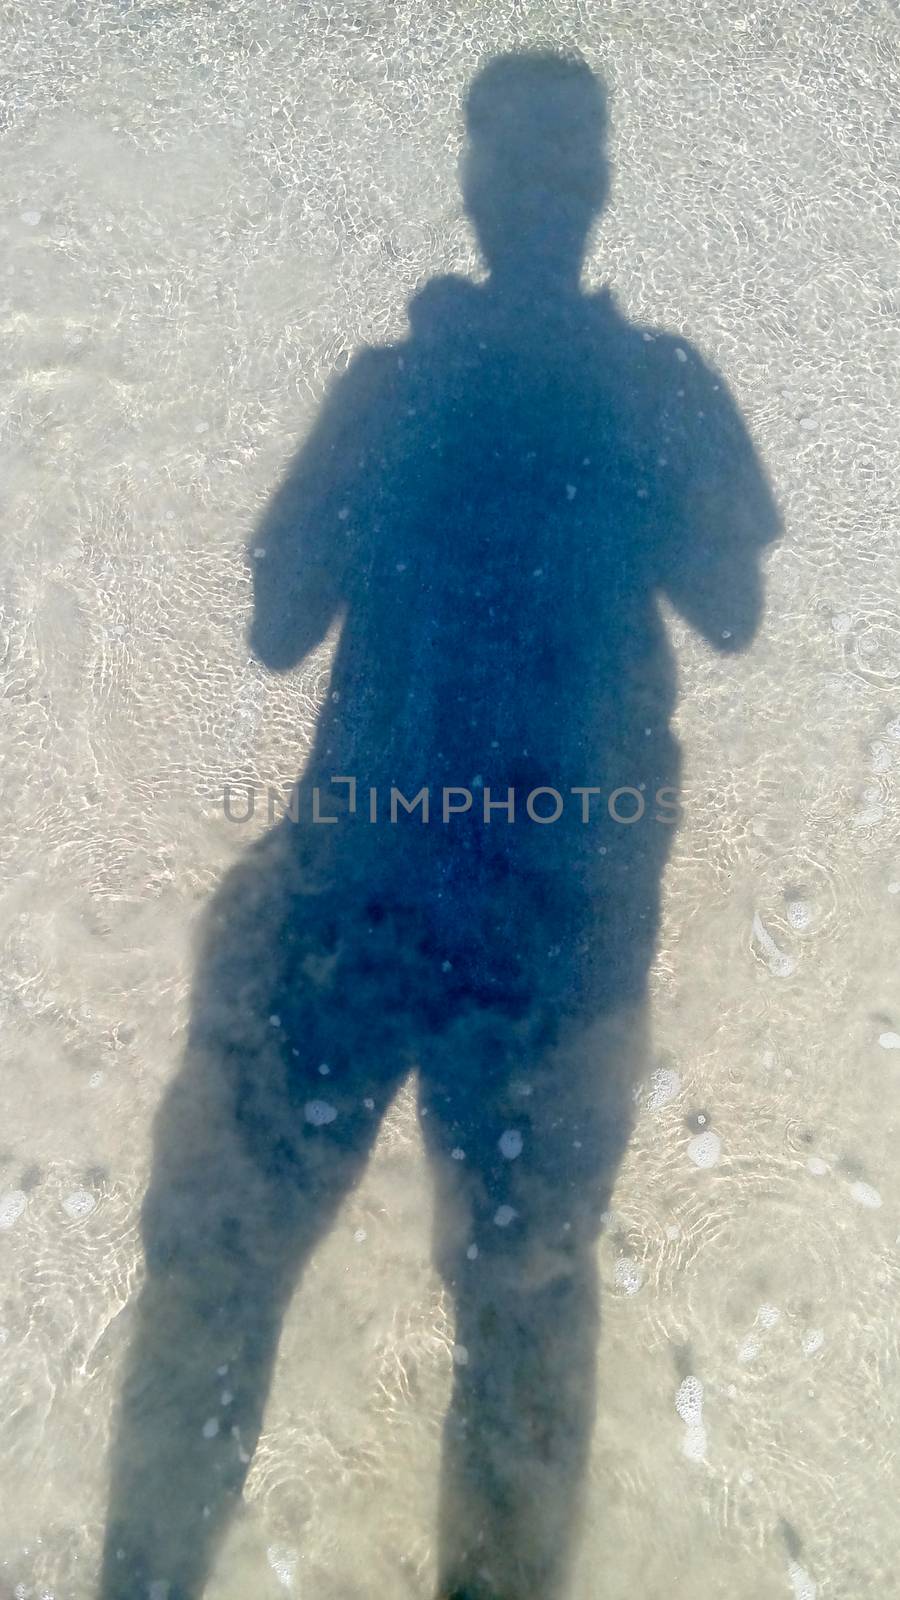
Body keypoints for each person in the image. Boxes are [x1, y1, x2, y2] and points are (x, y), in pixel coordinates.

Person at [101, 49, 780, 1600]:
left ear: (566, 186)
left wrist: (471, 443)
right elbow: (727, 601)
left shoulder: (460, 385)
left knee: (281, 1280)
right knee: (503, 1306)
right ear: (512, 186)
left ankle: (144, 1576)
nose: (534, 189)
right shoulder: (511, 386)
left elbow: (284, 618)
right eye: (524, 159)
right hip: (499, 920)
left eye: (548, 160)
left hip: (431, 915)